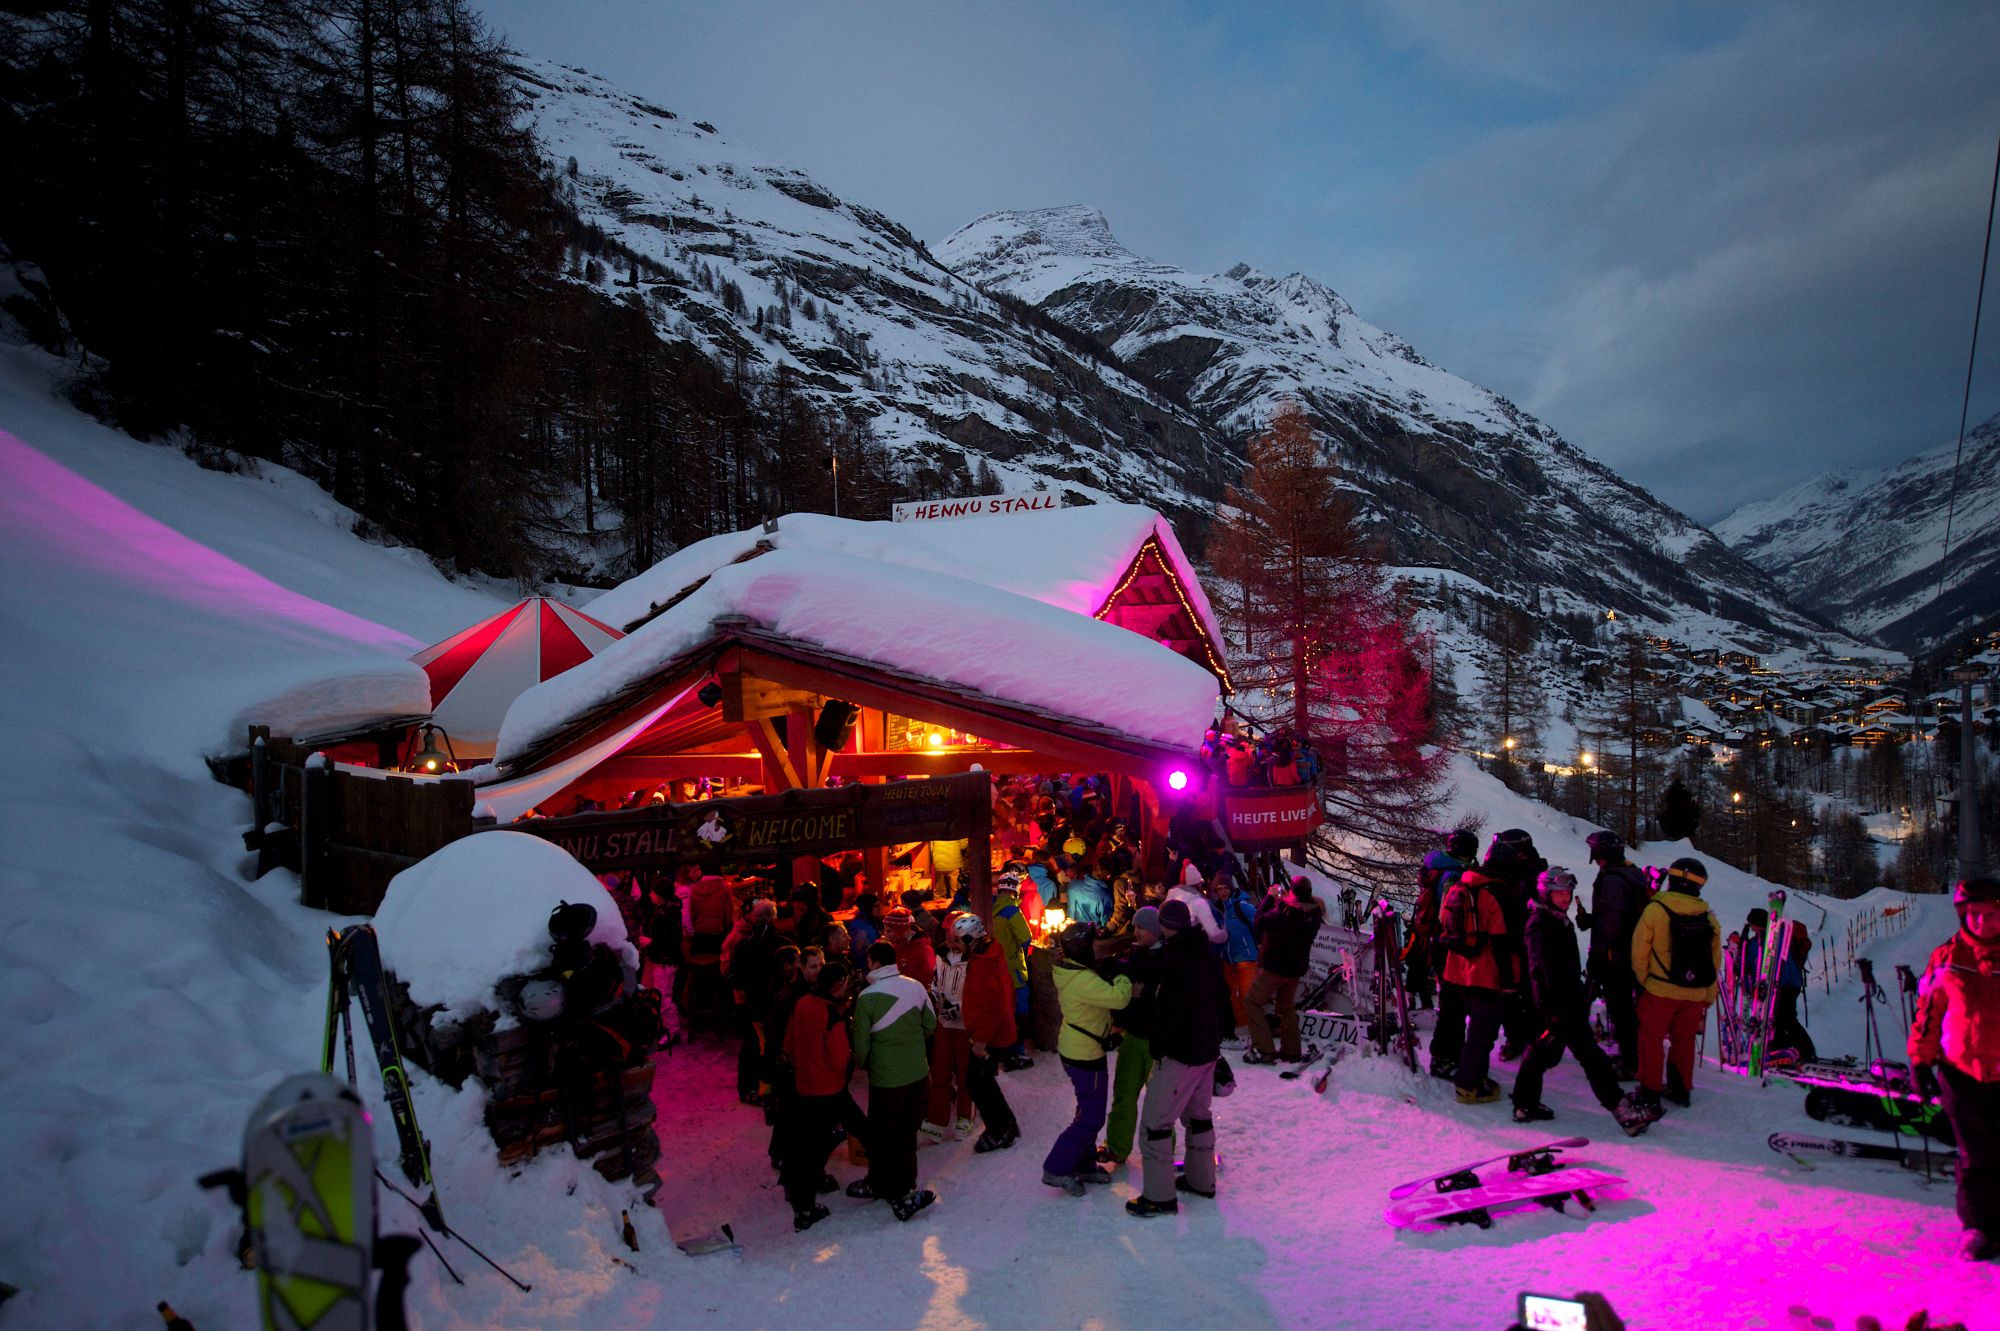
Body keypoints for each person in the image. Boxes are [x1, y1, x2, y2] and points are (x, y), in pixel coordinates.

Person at [1514, 869, 1654, 1136]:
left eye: (1567, 893)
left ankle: (1525, 1104)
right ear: (1546, 893)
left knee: (1543, 1054)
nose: (1565, 898)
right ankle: (1621, 1109)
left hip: (1568, 1002)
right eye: (1559, 893)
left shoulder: (1557, 919)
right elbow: (1540, 970)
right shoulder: (1540, 924)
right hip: (1558, 1005)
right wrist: (1550, 1009)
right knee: (1591, 1057)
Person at [1909, 876, 2000, 1262]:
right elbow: (1929, 1014)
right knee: (1974, 1154)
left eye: (1992, 915)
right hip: (1960, 1071)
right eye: (1975, 915)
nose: (1983, 923)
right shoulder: (1946, 957)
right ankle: (1978, 1227)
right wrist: (1920, 1060)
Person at [1129, 897, 1231, 1217]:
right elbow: (1221, 1003)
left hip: (1181, 1054)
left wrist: (1158, 1047)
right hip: (1206, 1051)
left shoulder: (1176, 961)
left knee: (1155, 1125)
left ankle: (1159, 1197)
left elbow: (1170, 1010)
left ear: (1163, 925)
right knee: (1198, 1117)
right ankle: (1202, 1181)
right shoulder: (1206, 954)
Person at [1622, 857, 1721, 1126]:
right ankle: (1680, 1089)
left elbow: (1639, 950)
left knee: (1650, 1040)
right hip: (1695, 993)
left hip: (1660, 989)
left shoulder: (1656, 910)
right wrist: (1708, 994)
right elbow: (1714, 960)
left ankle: (1650, 1090)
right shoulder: (1708, 916)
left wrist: (1645, 981)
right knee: (1684, 1040)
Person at [847, 940, 938, 1221]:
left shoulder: (867, 997)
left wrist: (868, 1064)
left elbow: (861, 1045)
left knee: (885, 1133)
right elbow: (931, 1024)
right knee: (907, 1133)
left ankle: (888, 1186)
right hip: (917, 1073)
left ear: (873, 963)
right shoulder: (916, 987)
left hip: (887, 1078)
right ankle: (904, 1185)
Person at [1042, 922, 1132, 1195]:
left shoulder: (1074, 970)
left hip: (1081, 1047)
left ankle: (1083, 1162)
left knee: (1088, 1109)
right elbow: (1119, 999)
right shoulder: (1082, 979)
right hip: (1084, 1055)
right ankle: (1056, 1168)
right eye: (1094, 944)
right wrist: (1122, 975)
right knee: (1091, 1117)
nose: (1097, 948)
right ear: (1083, 948)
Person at [1439, 847, 1516, 1104]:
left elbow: (1444, 920)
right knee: (1483, 1032)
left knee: (1472, 1028)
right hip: (1485, 973)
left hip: (1457, 969)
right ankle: (1468, 1084)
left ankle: (1477, 1077)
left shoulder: (1463, 884)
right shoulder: (1498, 893)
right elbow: (1500, 941)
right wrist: (1508, 981)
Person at [780, 961, 853, 1232]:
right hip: (829, 1088)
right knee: (818, 1146)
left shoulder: (802, 1003)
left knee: (807, 1146)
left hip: (804, 1087)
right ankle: (805, 1207)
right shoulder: (832, 1013)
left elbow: (788, 1043)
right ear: (838, 984)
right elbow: (838, 1059)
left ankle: (801, 1199)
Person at [1100, 906, 1166, 1167]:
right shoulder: (1133, 955)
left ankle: (1161, 1150)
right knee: (1124, 1094)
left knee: (1158, 1104)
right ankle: (1117, 1145)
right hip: (1133, 1035)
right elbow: (1125, 995)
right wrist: (1118, 1022)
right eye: (1135, 927)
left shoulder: (1168, 959)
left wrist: (1146, 993)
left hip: (1157, 1040)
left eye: (1141, 928)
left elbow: (1172, 997)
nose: (1136, 932)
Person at [1581, 831, 1649, 1078]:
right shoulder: (1632, 873)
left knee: (1621, 1010)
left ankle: (1631, 1063)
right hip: (1631, 952)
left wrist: (1598, 955)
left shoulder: (1612, 879)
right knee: (1625, 1010)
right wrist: (1591, 920)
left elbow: (1612, 921)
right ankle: (1630, 1055)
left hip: (1615, 956)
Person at [1242, 877, 1325, 1065]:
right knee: (1285, 1007)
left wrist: (1271, 898)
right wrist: (1285, 900)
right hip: (1295, 969)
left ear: (1293, 892)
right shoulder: (1314, 913)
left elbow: (1260, 921)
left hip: (1274, 967)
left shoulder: (1285, 912)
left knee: (1252, 1002)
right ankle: (1291, 1050)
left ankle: (1264, 1048)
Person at [958, 912, 1022, 1153]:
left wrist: (981, 1039)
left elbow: (992, 1003)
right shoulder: (988, 954)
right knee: (982, 1082)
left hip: (989, 1035)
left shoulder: (983, 962)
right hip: (994, 1030)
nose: (952, 944)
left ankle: (1000, 1130)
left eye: (956, 940)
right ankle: (1006, 1124)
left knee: (977, 1083)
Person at [1424, 830, 1476, 1073]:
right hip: (1448, 945)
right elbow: (1449, 914)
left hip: (1439, 942)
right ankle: (1446, 1057)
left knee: (1451, 1003)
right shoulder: (1454, 875)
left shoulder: (1442, 867)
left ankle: (1447, 1055)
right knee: (1453, 1004)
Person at [725, 899, 783, 1106]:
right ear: (774, 918)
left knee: (752, 1046)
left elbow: (733, 976)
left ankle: (750, 1089)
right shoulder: (778, 943)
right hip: (768, 1003)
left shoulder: (744, 943)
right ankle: (764, 1089)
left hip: (750, 1002)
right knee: (763, 1047)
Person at [924, 917, 976, 1140]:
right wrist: (933, 995)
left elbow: (979, 992)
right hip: (944, 1024)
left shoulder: (975, 960)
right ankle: (937, 1119)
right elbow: (936, 981)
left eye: (956, 939)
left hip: (965, 1025)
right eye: (949, 938)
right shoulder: (941, 956)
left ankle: (965, 1117)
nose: (951, 943)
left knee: (965, 1074)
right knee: (940, 1072)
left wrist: (960, 1007)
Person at [1214, 878, 1261, 1038]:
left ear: (1232, 889)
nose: (1222, 892)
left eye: (1225, 888)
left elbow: (1260, 921)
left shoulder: (1242, 906)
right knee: (1230, 995)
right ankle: (1240, 1025)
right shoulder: (1219, 910)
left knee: (1246, 994)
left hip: (1246, 957)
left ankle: (1250, 1028)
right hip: (1227, 959)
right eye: (1219, 889)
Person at [1164, 872, 1228, 947]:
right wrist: (1225, 934)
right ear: (1197, 884)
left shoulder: (1168, 900)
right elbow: (1214, 934)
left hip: (1173, 948)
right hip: (1194, 947)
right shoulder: (1198, 902)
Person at [882, 904, 937, 989]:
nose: (886, 935)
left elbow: (926, 981)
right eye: (885, 931)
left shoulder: (923, 950)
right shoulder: (896, 946)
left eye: (889, 931)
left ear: (900, 930)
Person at [1058, 855, 1112, 927]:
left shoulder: (1072, 885)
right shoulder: (1105, 897)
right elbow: (1103, 924)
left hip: (1070, 931)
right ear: (1106, 873)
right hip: (1090, 935)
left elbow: (1063, 904)